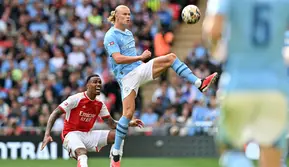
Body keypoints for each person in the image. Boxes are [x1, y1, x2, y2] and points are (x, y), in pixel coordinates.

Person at [103, 5, 218, 167]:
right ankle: (116, 153)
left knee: (171, 57)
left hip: (139, 70)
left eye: (129, 14)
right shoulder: (110, 35)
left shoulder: (128, 33)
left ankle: (199, 83)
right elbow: (117, 59)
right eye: (124, 14)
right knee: (127, 114)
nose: (128, 17)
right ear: (116, 17)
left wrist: (141, 61)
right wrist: (140, 57)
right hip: (127, 77)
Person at [203, 0, 289, 167]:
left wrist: (216, 50)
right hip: (275, 88)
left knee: (232, 152)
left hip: (239, 84)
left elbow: (213, 30)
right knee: (272, 159)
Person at [40, 74, 144, 167]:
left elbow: (111, 124)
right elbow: (55, 113)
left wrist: (129, 123)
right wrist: (47, 134)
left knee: (118, 135)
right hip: (71, 134)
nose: (98, 84)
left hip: (87, 134)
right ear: (88, 85)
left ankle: (115, 163)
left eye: (100, 82)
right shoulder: (76, 99)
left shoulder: (99, 104)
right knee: (82, 155)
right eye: (95, 82)